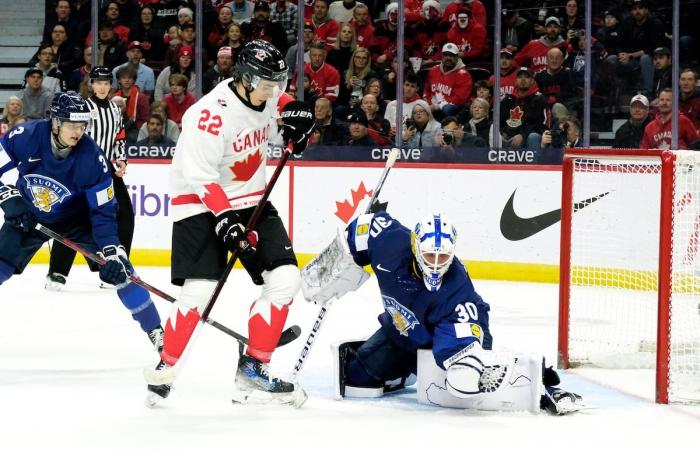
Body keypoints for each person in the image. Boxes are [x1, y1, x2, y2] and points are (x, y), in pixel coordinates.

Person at [145, 40, 315, 406]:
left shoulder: (265, 96)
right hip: (199, 203)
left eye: (278, 84)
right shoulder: (208, 116)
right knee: (199, 290)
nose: (276, 91)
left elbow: (281, 113)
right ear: (246, 78)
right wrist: (223, 219)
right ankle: (166, 365)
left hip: (251, 199)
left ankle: (253, 368)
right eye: (270, 84)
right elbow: (201, 176)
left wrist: (296, 119)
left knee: (285, 280)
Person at [329, 210, 584, 414]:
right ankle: (408, 367)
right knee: (356, 379)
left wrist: (462, 362)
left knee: (463, 378)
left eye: (443, 257)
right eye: (430, 255)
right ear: (416, 247)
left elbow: (455, 342)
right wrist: (337, 264)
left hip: (452, 330)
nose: (437, 264)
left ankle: (534, 379)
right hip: (405, 333)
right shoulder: (388, 241)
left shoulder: (456, 288)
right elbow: (360, 230)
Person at [0, 91, 163, 354]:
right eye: (72, 124)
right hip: (29, 216)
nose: (79, 131)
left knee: (124, 271)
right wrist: (8, 197)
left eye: (83, 124)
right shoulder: (26, 136)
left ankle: (157, 332)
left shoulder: (93, 159)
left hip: (76, 220)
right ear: (55, 121)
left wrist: (111, 251)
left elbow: (103, 212)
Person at [45, 66, 135, 291]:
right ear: (91, 84)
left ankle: (115, 267)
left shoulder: (115, 109)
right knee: (71, 217)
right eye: (98, 83)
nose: (102, 87)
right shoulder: (83, 107)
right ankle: (57, 272)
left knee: (124, 215)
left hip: (109, 173)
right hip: (82, 172)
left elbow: (119, 136)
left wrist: (121, 159)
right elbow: (75, 136)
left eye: (106, 83)